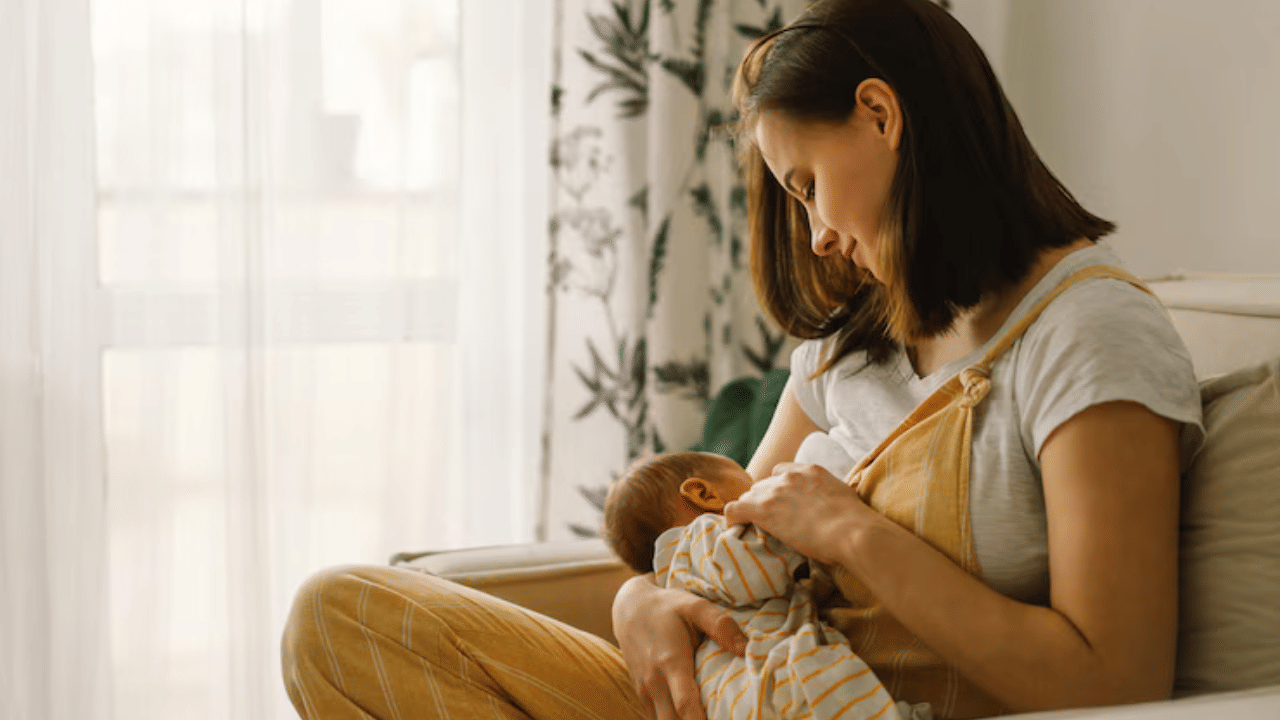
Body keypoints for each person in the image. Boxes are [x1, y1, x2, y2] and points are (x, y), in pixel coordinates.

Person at [279, 1, 1204, 718]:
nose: (820, 236)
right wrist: (638, 603)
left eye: (807, 187)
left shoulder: (1088, 336)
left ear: (881, 115)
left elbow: (1113, 682)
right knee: (339, 619)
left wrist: (854, 535)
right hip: (740, 694)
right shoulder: (851, 343)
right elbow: (720, 548)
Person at [603, 450, 931, 720]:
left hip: (738, 690)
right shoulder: (700, 537)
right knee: (828, 689)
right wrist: (805, 521)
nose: (764, 487)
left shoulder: (682, 572)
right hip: (765, 676)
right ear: (704, 493)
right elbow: (753, 569)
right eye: (753, 483)